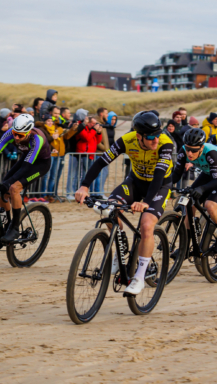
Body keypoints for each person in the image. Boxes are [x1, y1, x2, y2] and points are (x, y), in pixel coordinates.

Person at [74, 111, 174, 296]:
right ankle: (122, 248)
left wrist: (146, 203)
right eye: (151, 137)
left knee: (146, 225)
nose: (156, 141)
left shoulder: (165, 144)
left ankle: (139, 277)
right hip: (135, 182)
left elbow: (159, 175)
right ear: (139, 136)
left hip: (159, 186)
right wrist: (84, 187)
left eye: (158, 135)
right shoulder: (126, 140)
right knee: (107, 210)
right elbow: (101, 162)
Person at [0, 114, 51, 245]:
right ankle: (7, 227)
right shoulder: (10, 133)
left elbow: (27, 167)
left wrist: (9, 182)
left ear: (28, 131)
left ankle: (14, 228)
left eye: (20, 135)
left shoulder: (37, 139)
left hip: (40, 164)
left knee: (14, 188)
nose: (16, 138)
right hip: (25, 159)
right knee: (1, 191)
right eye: (15, 133)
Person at [172, 128, 217, 252]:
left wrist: (201, 189)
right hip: (207, 173)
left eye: (194, 150)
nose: (189, 153)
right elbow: (176, 175)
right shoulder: (184, 151)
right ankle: (186, 246)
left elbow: (216, 180)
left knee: (210, 205)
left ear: (201, 147)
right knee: (189, 203)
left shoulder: (211, 152)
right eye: (187, 148)